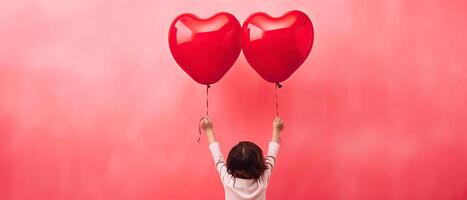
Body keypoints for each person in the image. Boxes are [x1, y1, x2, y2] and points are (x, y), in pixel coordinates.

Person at [200, 116, 284, 200]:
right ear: (259, 163)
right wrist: (277, 130)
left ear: (231, 163)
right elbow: (272, 155)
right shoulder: (262, 181)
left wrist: (208, 130)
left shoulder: (228, 181)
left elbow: (217, 157)